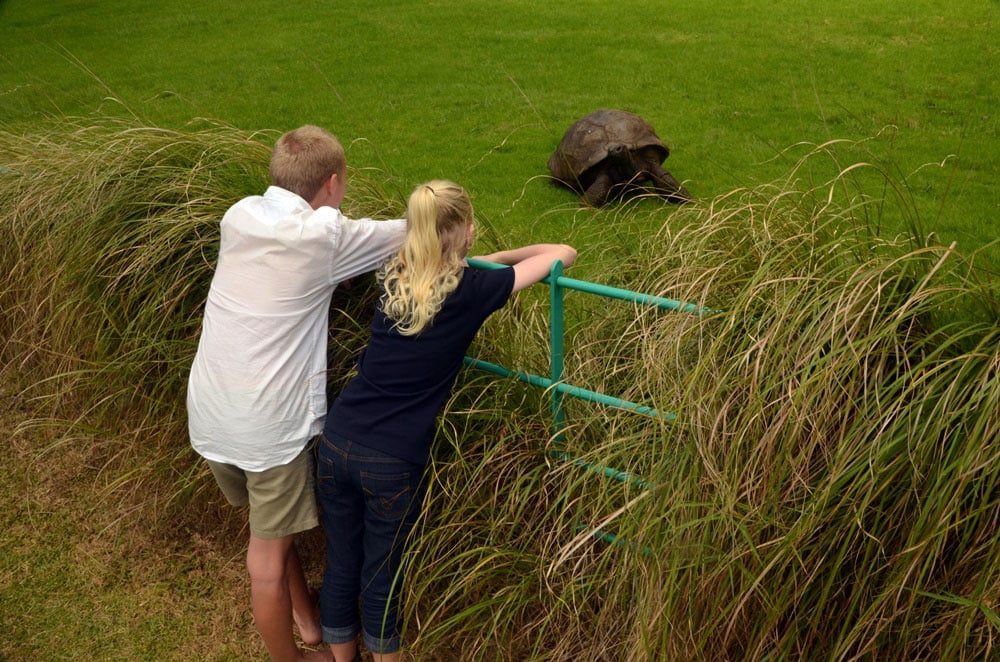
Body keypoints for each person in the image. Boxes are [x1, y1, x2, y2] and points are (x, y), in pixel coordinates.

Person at [316, 179, 577, 662]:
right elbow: (563, 252)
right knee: (382, 574)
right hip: (392, 458)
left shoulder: (394, 273)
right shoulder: (472, 289)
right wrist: (497, 255)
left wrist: (467, 253)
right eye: (469, 222)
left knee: (342, 563)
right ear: (459, 231)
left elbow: (439, 263)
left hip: (338, 439)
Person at [186, 125, 406, 662]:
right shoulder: (324, 237)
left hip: (210, 408)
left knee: (269, 528)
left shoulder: (237, 216)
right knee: (264, 557)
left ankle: (308, 622)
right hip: (266, 426)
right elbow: (420, 230)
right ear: (332, 184)